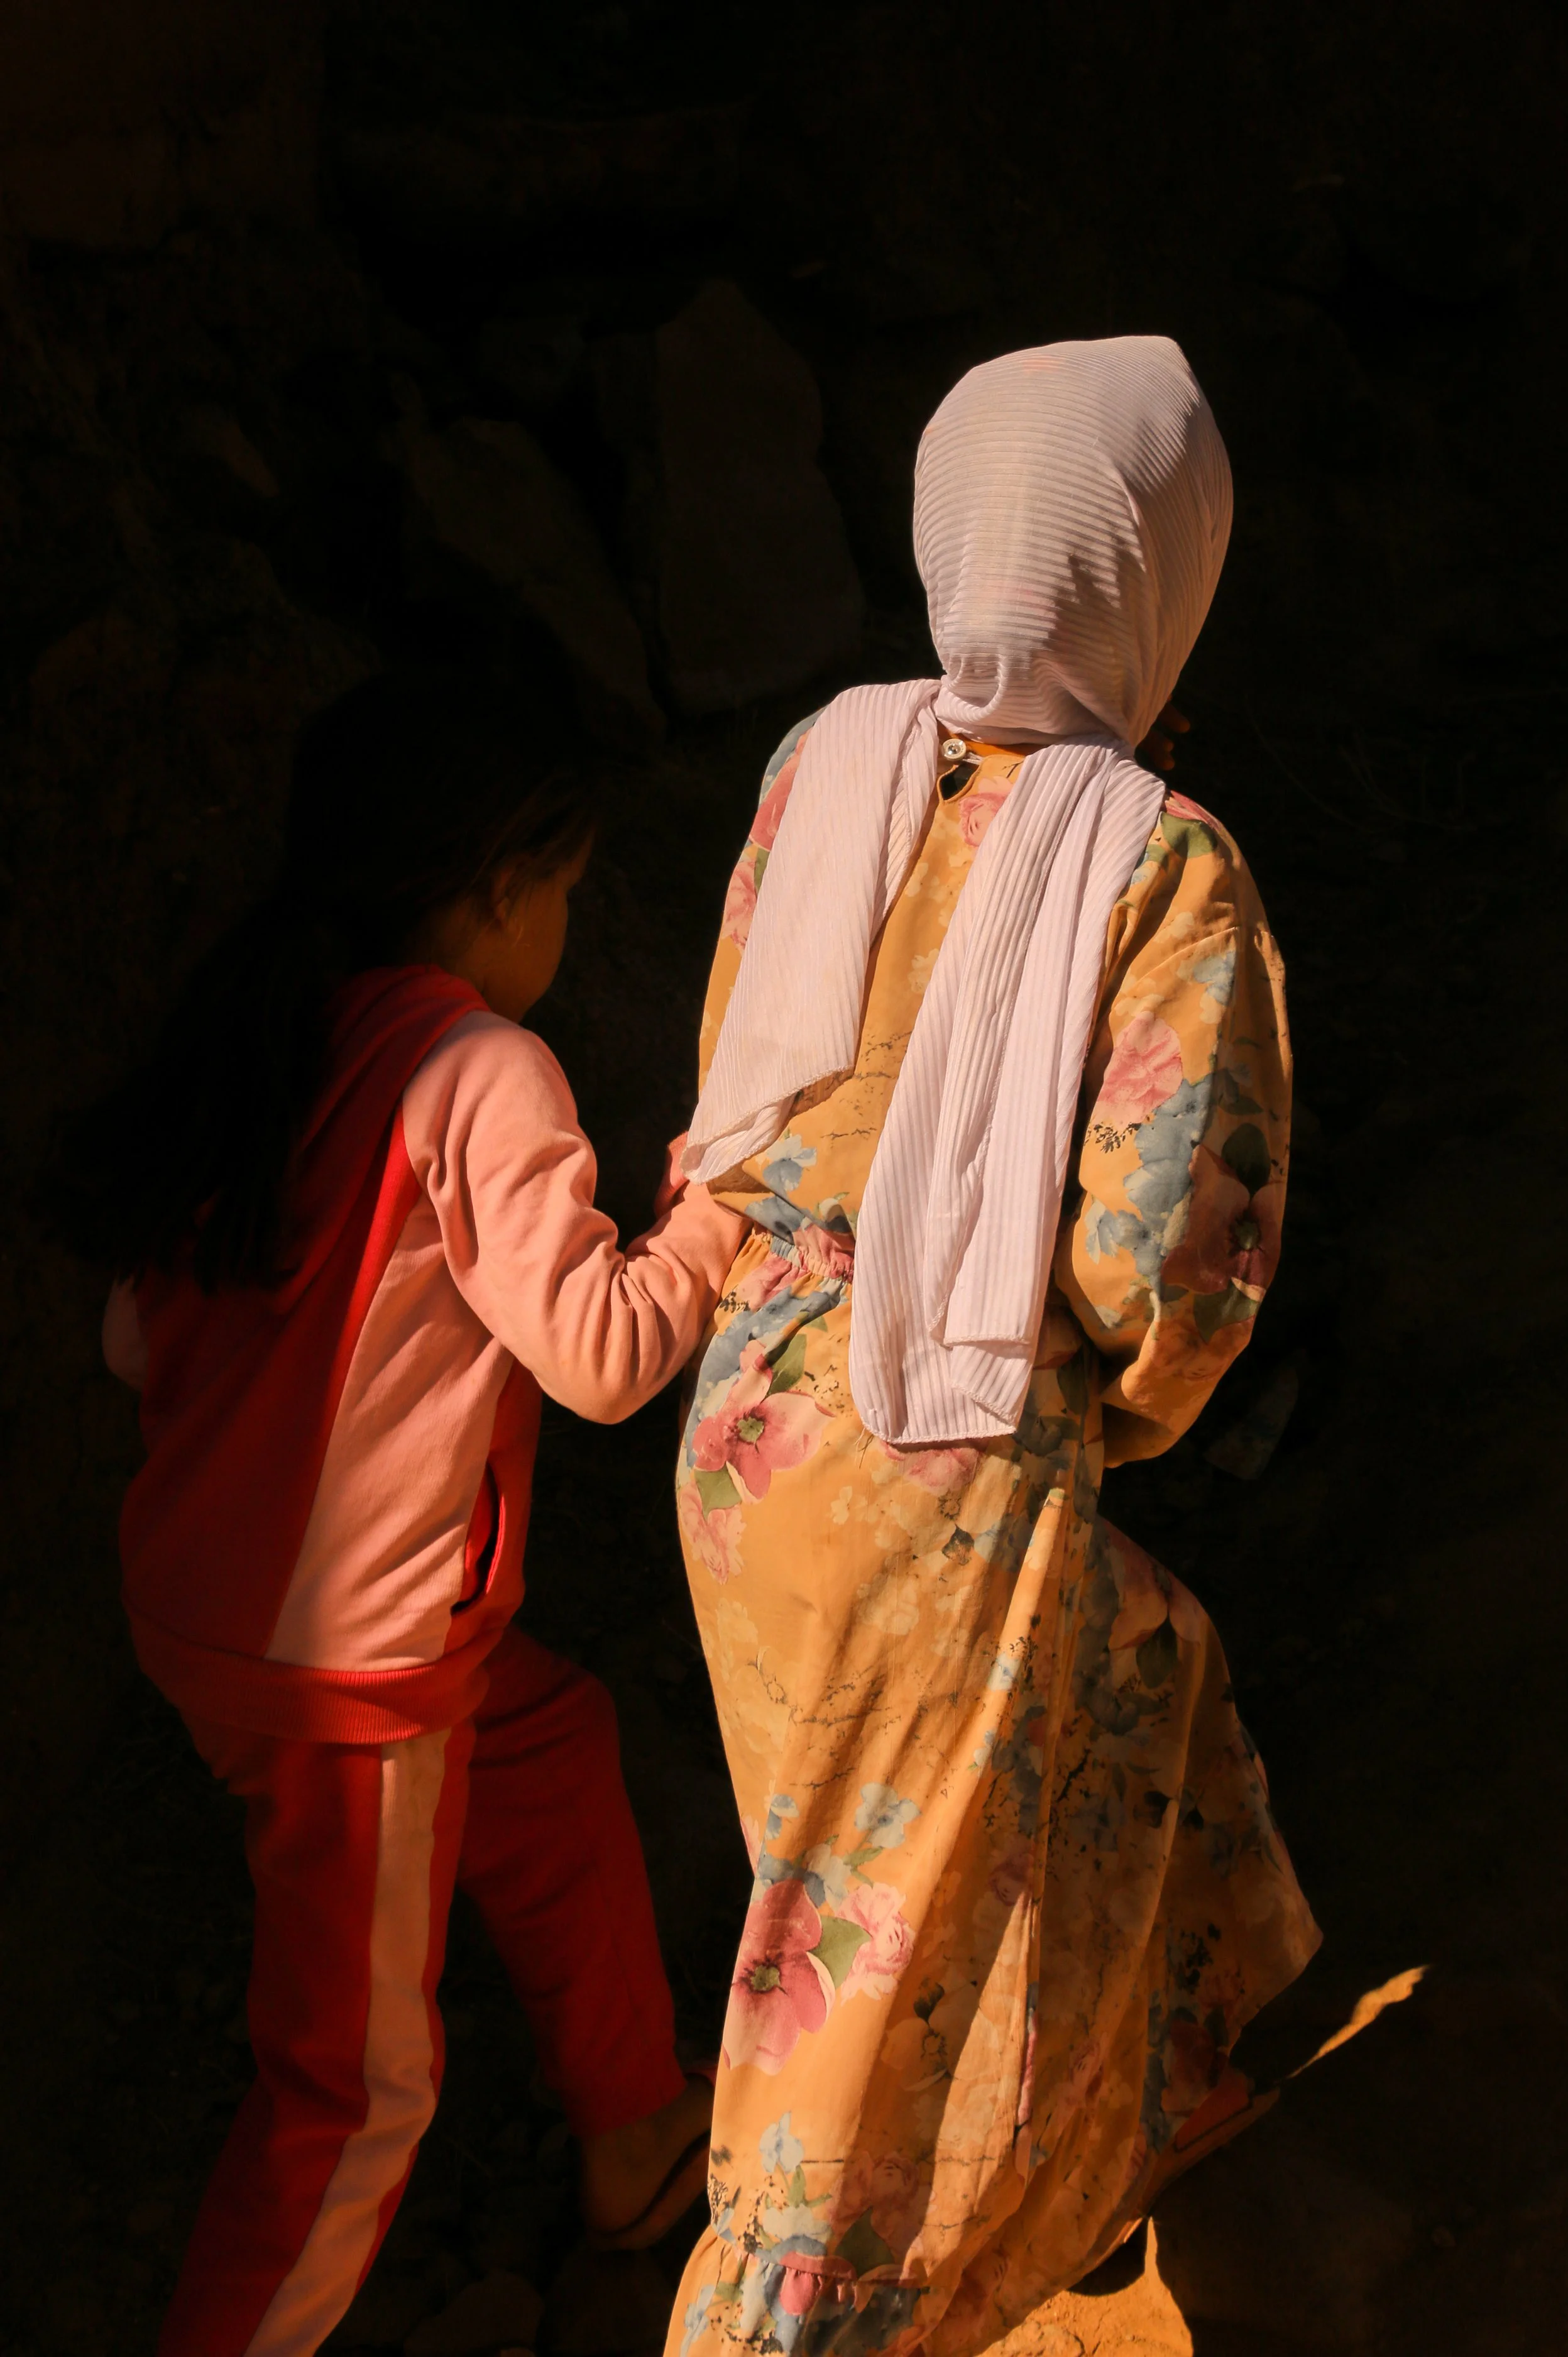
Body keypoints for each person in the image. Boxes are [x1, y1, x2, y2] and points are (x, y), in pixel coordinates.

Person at [669, 338, 1321, 2357]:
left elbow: (734, 1088)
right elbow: (1162, 1259)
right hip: (939, 1463)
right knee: (832, 2056)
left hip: (745, 1438)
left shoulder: (820, 764)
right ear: (1158, 574)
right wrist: (1089, 1413)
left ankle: (1081, 2180)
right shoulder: (1159, 860)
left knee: (1141, 1675)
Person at [47, 673, 745, 2357]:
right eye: (567, 889)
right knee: (356, 2084)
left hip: (210, 1609)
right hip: (348, 1671)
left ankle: (640, 2143)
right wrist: (716, 1211)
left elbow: (132, 1333)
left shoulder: (280, 1035)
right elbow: (599, 1353)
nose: (565, 922)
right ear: (498, 885)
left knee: (549, 1746)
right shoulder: (478, 1067)